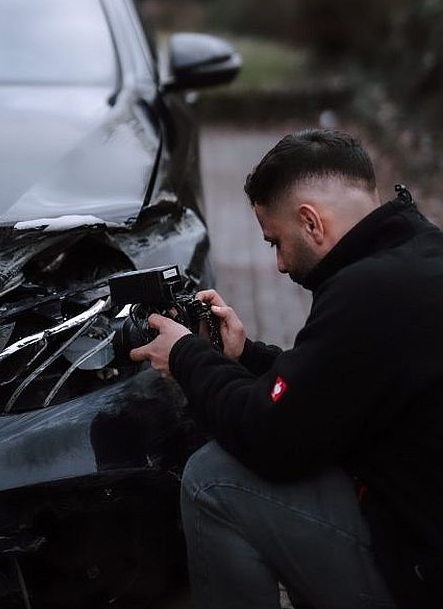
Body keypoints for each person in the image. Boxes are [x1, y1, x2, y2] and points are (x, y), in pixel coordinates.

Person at [130, 129, 443, 609]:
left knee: (214, 479)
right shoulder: (418, 256)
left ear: (311, 221)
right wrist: (245, 356)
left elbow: (270, 437)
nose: (277, 265)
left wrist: (185, 356)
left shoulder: (366, 293)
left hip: (418, 573)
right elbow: (332, 389)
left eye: (275, 241)